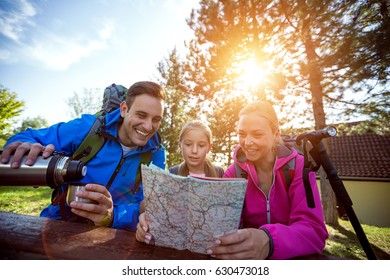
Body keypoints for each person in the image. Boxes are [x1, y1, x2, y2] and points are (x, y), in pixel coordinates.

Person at [1, 81, 167, 230]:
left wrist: (113, 216)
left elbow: (149, 206)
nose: (148, 126)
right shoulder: (88, 129)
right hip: (58, 224)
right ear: (124, 109)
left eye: (156, 119)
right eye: (141, 115)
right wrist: (24, 144)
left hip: (112, 236)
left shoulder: (156, 154)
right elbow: (28, 136)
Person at [207, 101, 328, 259]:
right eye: (242, 134)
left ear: (275, 134)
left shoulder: (298, 167)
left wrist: (269, 240)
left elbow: (314, 232)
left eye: (257, 134)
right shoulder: (233, 172)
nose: (247, 142)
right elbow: (225, 223)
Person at [136, 120, 224, 244]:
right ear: (180, 145)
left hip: (209, 241)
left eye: (201, 145)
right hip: (177, 241)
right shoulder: (172, 173)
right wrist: (149, 205)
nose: (194, 150)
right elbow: (149, 206)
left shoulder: (219, 173)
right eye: (188, 144)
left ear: (209, 147)